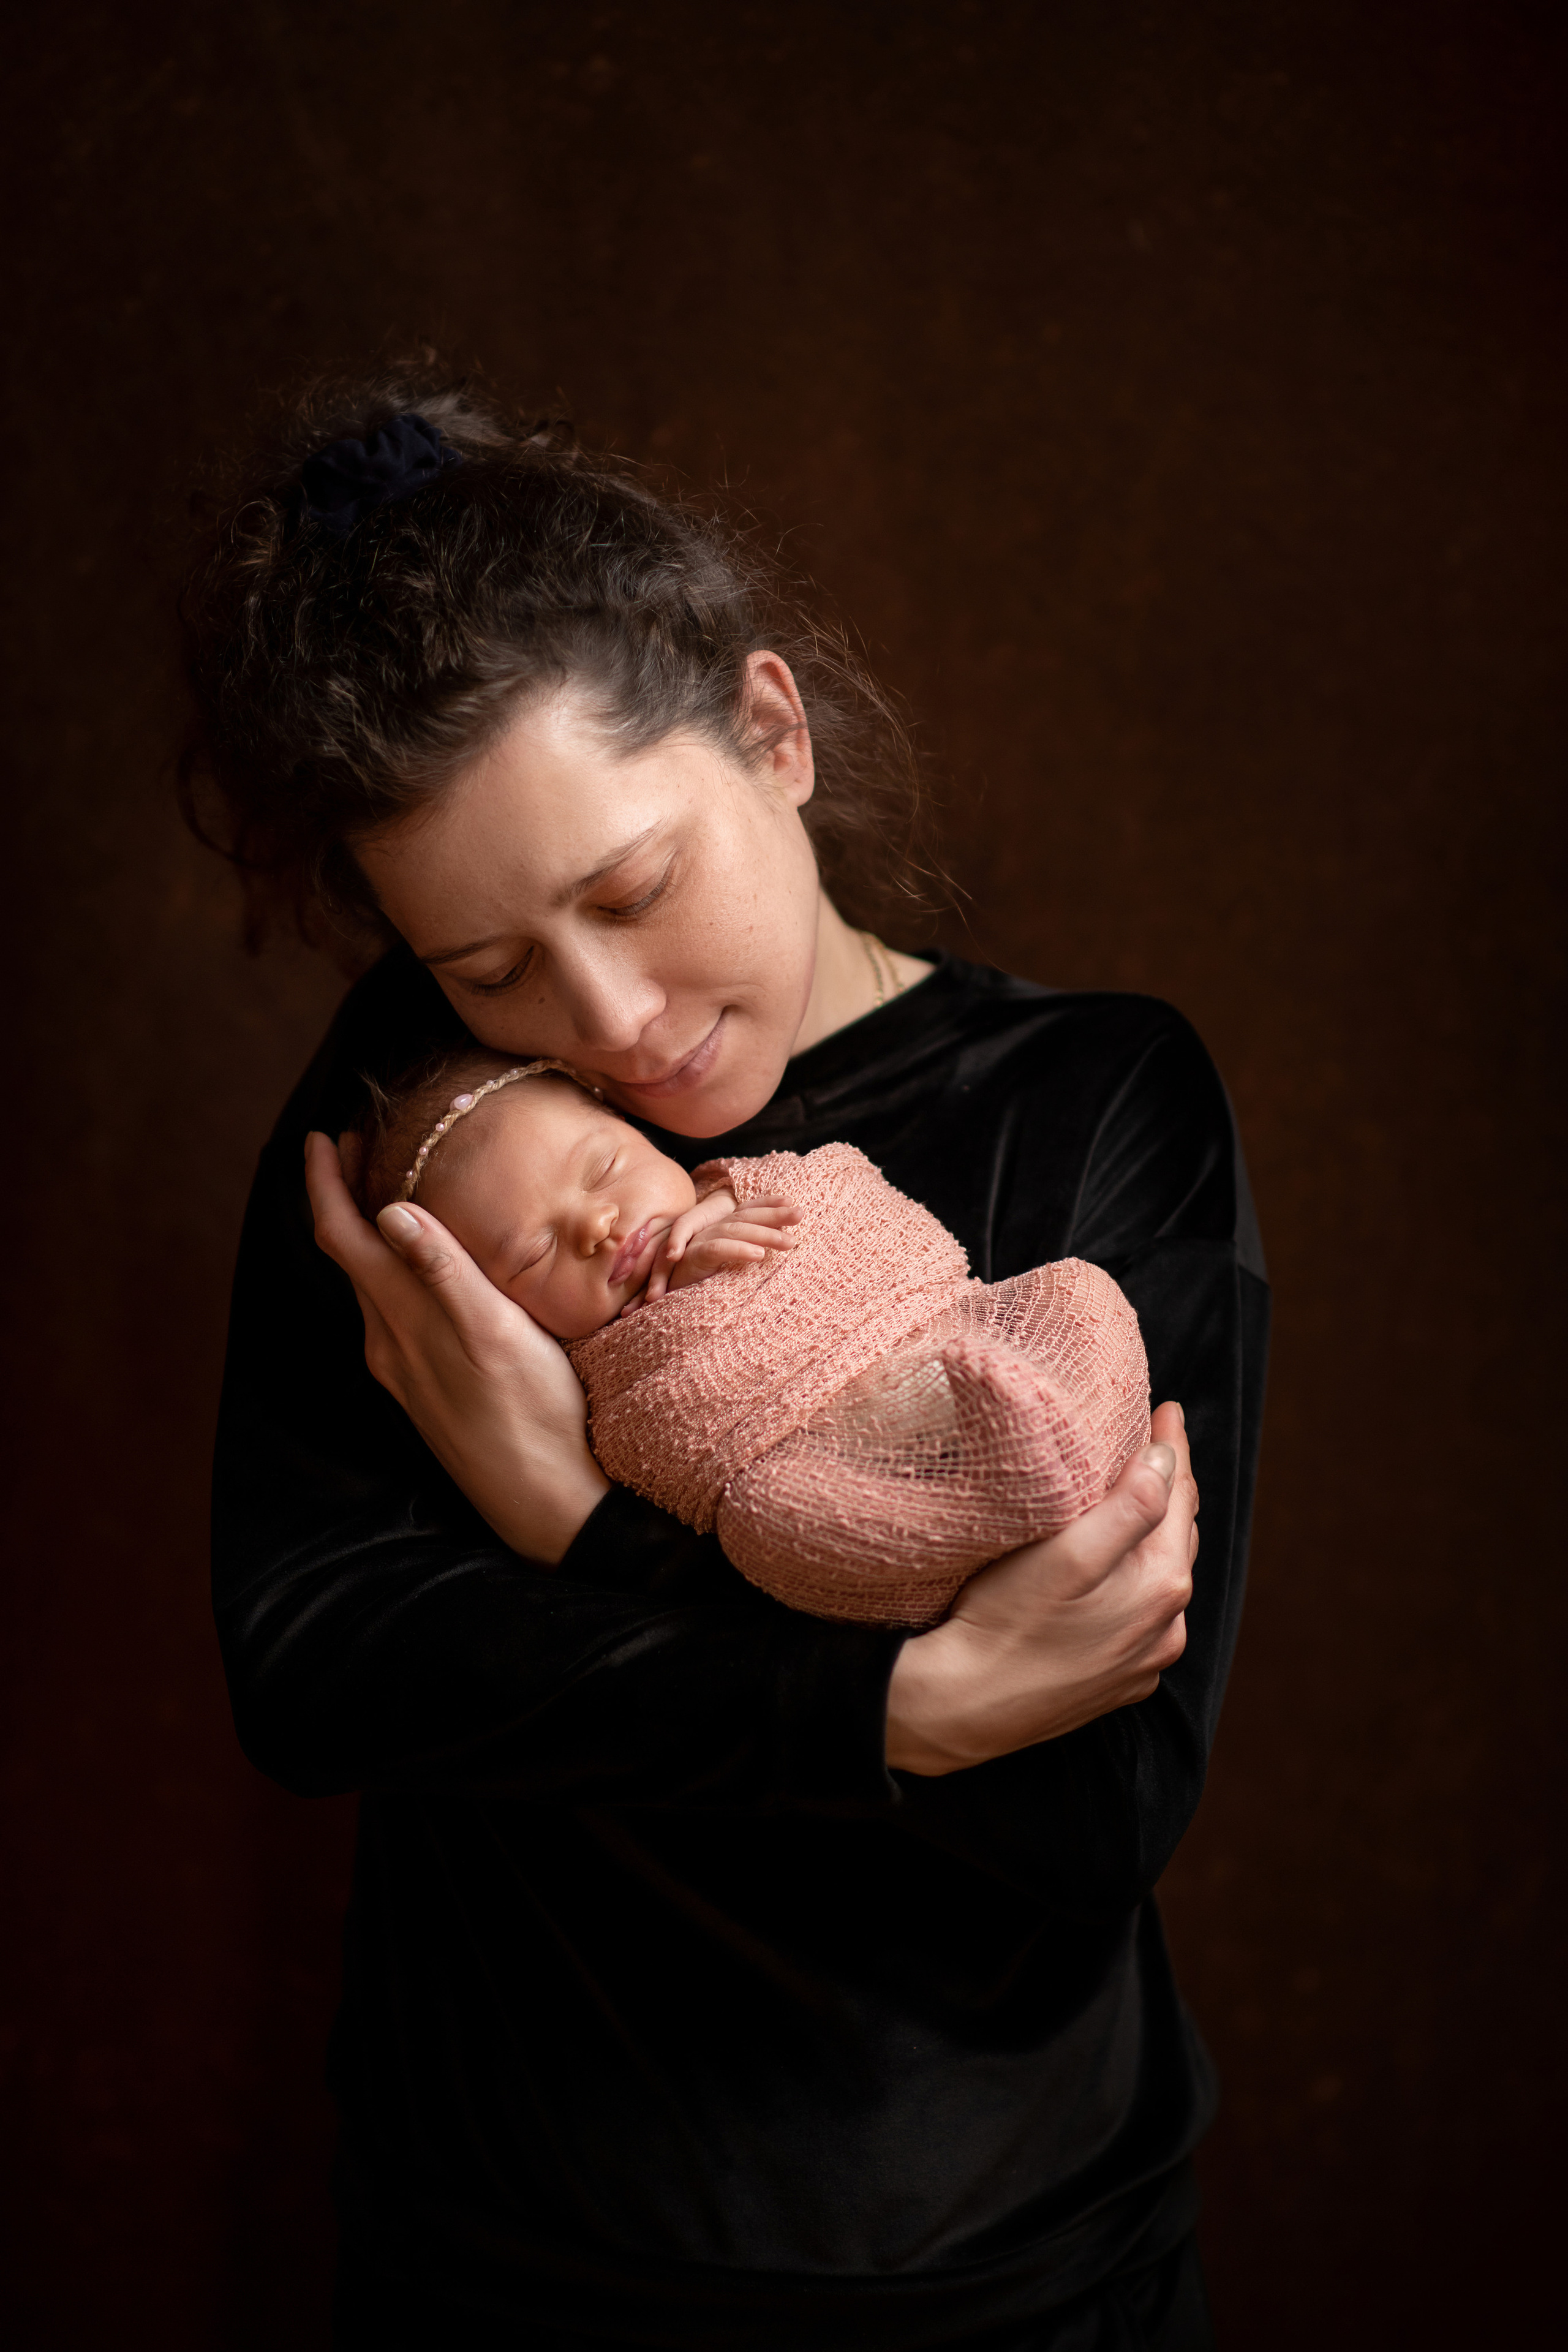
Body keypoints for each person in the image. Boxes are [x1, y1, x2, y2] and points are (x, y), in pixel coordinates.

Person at [181, 374, 1268, 2350]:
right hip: (496, 2254)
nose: (605, 1022)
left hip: (997, 2275)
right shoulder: (426, 1123)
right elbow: (318, 1658)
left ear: (772, 734)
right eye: (490, 966)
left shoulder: (1098, 1098)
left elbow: (1093, 1811)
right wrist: (900, 1709)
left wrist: (582, 1532)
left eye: (631, 892)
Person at [353, 1048, 1152, 1629]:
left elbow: (847, 1188)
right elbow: (660, 1447)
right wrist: (681, 1298)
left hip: (948, 1340)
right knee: (771, 1532)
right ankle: (985, 1506)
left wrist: (732, 1213)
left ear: (631, 1125)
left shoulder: (747, 1183)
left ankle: (1039, 1420)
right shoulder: (594, 1376)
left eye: (602, 1168)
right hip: (828, 1466)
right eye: (534, 1254)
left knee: (1079, 1296)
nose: (596, 1224)